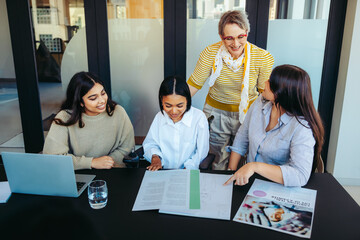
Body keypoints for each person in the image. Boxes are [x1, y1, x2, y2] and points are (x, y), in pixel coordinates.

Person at [187, 10, 274, 170]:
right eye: (229, 38)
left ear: (247, 32)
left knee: (244, 161)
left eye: (241, 36)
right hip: (216, 114)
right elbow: (193, 84)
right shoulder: (210, 53)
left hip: (248, 114)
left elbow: (265, 94)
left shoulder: (262, 57)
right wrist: (175, 106)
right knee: (217, 160)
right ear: (221, 37)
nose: (236, 44)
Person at [224, 64, 324, 187]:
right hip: (249, 180)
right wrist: (231, 171)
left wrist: (255, 167)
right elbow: (242, 137)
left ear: (283, 93)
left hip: (277, 186)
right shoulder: (260, 101)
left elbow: (300, 175)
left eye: (270, 82)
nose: (265, 82)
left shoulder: (302, 127)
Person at [43, 71, 135, 170]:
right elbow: (53, 157)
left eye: (103, 93)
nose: (102, 100)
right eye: (93, 98)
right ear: (80, 102)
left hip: (112, 170)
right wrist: (91, 163)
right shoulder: (64, 117)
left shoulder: (118, 112)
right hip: (77, 173)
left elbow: (126, 147)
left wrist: (107, 162)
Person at [143, 76, 209, 171]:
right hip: (163, 172)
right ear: (162, 101)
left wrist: (188, 167)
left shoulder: (199, 118)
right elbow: (150, 143)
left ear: (187, 100)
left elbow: (201, 152)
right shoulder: (159, 117)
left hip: (189, 171)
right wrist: (155, 158)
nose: (174, 111)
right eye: (168, 106)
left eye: (180, 106)